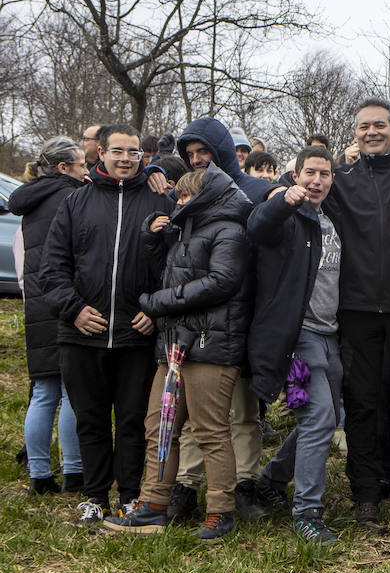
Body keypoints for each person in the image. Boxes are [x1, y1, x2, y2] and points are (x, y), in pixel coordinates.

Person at [103, 166, 254, 541]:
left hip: (210, 346)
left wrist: (159, 303)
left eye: (187, 196)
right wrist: (152, 241)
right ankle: (153, 504)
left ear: (207, 197)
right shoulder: (184, 232)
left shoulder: (230, 231)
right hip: (174, 345)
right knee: (159, 426)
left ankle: (221, 511)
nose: (180, 202)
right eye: (179, 196)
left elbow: (222, 282)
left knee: (210, 431)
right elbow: (173, 274)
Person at [40, 124, 173, 526]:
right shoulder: (75, 202)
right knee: (91, 418)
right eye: (118, 151)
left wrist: (155, 310)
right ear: (101, 152)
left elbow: (172, 268)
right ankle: (95, 496)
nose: (127, 158)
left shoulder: (157, 201)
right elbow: (52, 268)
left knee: (133, 419)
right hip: (83, 334)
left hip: (136, 335)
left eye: (134, 152)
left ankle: (131, 495)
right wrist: (74, 309)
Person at [167, 117, 276, 523]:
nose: (197, 160)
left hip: (246, 315)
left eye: (204, 152)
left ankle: (244, 484)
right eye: (190, 154)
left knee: (245, 411)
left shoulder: (257, 191)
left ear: (223, 151)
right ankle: (187, 485)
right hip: (199, 320)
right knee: (200, 414)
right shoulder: (188, 193)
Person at [324, 98, 390, 526]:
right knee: (362, 403)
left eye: (379, 125)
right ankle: (366, 491)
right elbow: (300, 192)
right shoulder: (340, 180)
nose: (371, 132)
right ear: (354, 134)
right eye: (364, 126)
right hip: (358, 308)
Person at [249, 147, 346, 543]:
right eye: (309, 173)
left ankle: (271, 478)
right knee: (318, 414)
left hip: (330, 335)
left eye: (324, 174)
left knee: (328, 414)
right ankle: (307, 512)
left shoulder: (330, 219)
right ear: (295, 175)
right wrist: (280, 201)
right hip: (296, 339)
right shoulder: (287, 214)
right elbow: (258, 227)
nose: (316, 180)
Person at [10, 138, 87, 496]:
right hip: (66, 299)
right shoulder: (71, 198)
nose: (87, 170)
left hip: (37, 303)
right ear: (63, 168)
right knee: (73, 390)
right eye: (82, 164)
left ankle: (39, 475)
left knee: (43, 391)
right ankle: (74, 471)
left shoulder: (29, 202)